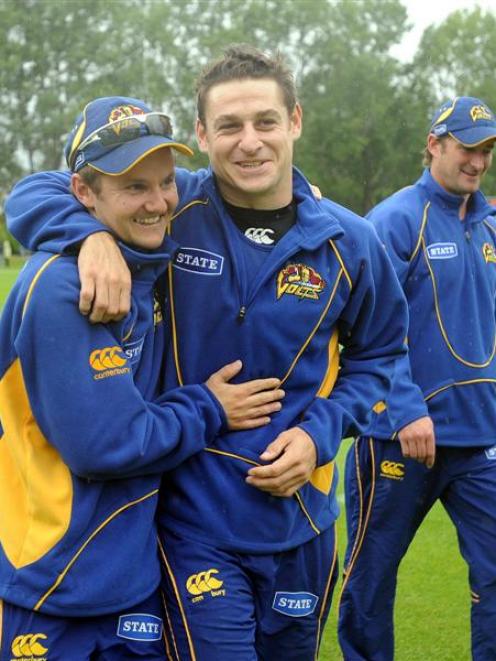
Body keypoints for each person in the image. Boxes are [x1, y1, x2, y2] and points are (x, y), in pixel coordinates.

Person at [6, 45, 409, 660]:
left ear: (294, 121)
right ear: (203, 133)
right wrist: (87, 236)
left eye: (266, 122)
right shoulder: (174, 209)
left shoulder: (352, 242)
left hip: (302, 516)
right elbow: (38, 190)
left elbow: (381, 357)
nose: (250, 142)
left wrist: (320, 435)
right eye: (229, 126)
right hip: (190, 521)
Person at [0, 95, 285, 661]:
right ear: (84, 194)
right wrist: (210, 407)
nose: (158, 203)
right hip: (50, 586)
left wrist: (298, 196)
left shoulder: (145, 265)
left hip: (133, 580)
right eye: (134, 187)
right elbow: (105, 447)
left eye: (165, 182)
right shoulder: (64, 290)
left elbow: (247, 179)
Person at [338, 96, 496, 661]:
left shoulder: (489, 223)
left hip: (478, 439)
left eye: (486, 150)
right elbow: (368, 329)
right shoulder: (395, 219)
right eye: (466, 148)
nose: (477, 162)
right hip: (400, 437)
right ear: (434, 144)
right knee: (372, 580)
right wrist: (406, 409)